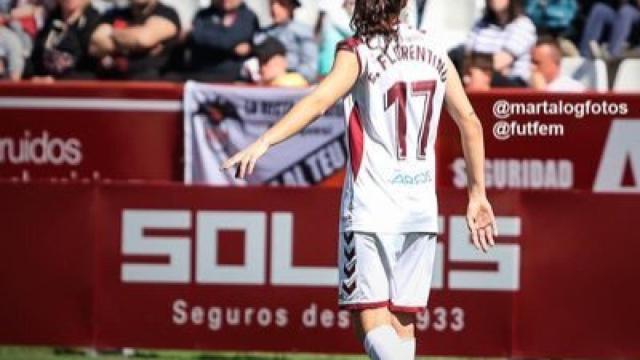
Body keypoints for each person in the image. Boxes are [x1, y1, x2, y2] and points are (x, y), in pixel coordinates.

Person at [222, 0, 498, 358]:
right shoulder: (435, 50)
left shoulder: (358, 51)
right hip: (420, 209)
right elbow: (471, 123)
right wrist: (477, 193)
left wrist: (264, 141)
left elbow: (319, 101)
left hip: (373, 207)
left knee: (367, 318)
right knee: (401, 323)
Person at [89, 0, 180, 80]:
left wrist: (111, 33)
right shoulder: (113, 14)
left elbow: (143, 40)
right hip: (112, 89)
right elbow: (95, 45)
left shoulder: (167, 13)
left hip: (152, 91)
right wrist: (133, 41)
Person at [465, 0, 537, 87]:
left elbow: (500, 61)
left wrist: (477, 66)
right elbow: (467, 58)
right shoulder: (479, 25)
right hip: (480, 82)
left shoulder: (523, 25)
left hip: (513, 87)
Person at [188, 0, 259, 83]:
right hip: (201, 76)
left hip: (233, 80)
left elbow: (228, 40)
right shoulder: (203, 15)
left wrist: (210, 35)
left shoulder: (248, 16)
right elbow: (197, 36)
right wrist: (231, 46)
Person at [29, 0, 99, 80]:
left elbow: (93, 73)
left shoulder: (94, 23)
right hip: (43, 88)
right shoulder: (49, 20)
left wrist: (56, 81)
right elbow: (35, 60)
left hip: (76, 88)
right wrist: (33, 77)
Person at [258, 0, 318, 82]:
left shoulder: (302, 31)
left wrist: (283, 71)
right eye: (272, 4)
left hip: (292, 86)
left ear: (292, 7)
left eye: (281, 4)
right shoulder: (262, 34)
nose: (274, 8)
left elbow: (310, 69)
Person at [316, 0, 354, 76]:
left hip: (332, 60)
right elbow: (353, 31)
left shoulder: (331, 15)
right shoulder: (336, 14)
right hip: (330, 61)